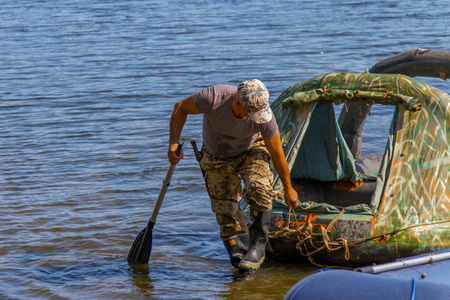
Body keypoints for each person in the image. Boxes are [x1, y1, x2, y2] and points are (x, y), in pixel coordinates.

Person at [168, 79, 298, 271]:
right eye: (252, 113)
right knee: (224, 206)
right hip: (216, 154)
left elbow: (277, 153)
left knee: (258, 188)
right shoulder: (213, 98)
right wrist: (173, 142)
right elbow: (180, 108)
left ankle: (258, 244)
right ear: (237, 102)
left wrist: (288, 188)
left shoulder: (266, 119)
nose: (258, 118)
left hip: (251, 149)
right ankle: (236, 249)